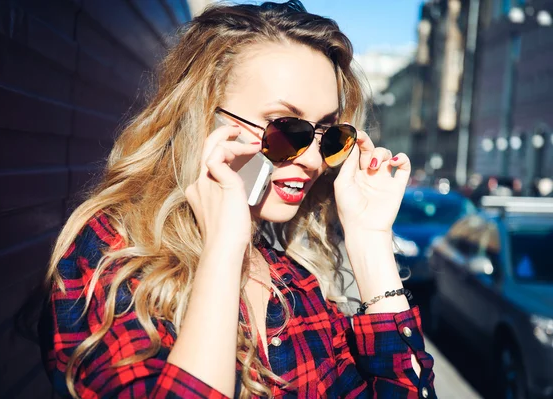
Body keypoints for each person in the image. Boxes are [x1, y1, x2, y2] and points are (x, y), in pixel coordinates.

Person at [39, 1, 436, 398]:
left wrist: (369, 239)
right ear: (204, 118)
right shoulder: (117, 253)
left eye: (329, 135)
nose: (314, 160)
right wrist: (223, 253)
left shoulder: (297, 285)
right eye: (287, 129)